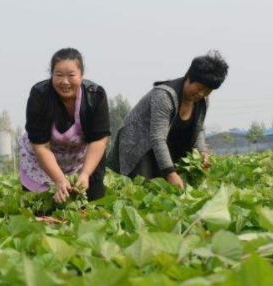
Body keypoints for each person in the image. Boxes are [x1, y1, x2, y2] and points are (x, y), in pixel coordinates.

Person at [107, 50, 228, 189]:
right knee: (144, 188)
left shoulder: (202, 102)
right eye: (200, 88)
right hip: (139, 144)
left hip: (165, 145)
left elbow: (198, 129)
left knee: (169, 189)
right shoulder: (164, 96)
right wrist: (170, 173)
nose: (201, 94)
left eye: (208, 91)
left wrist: (203, 152)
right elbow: (157, 138)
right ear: (189, 77)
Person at [20, 48, 111, 203]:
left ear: (81, 75)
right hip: (42, 160)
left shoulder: (95, 95)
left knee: (91, 205)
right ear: (52, 75)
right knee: (40, 209)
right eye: (59, 75)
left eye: (71, 75)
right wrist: (59, 179)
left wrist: (85, 174)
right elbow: (41, 146)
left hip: (81, 159)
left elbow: (99, 140)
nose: (65, 81)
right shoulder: (39, 96)